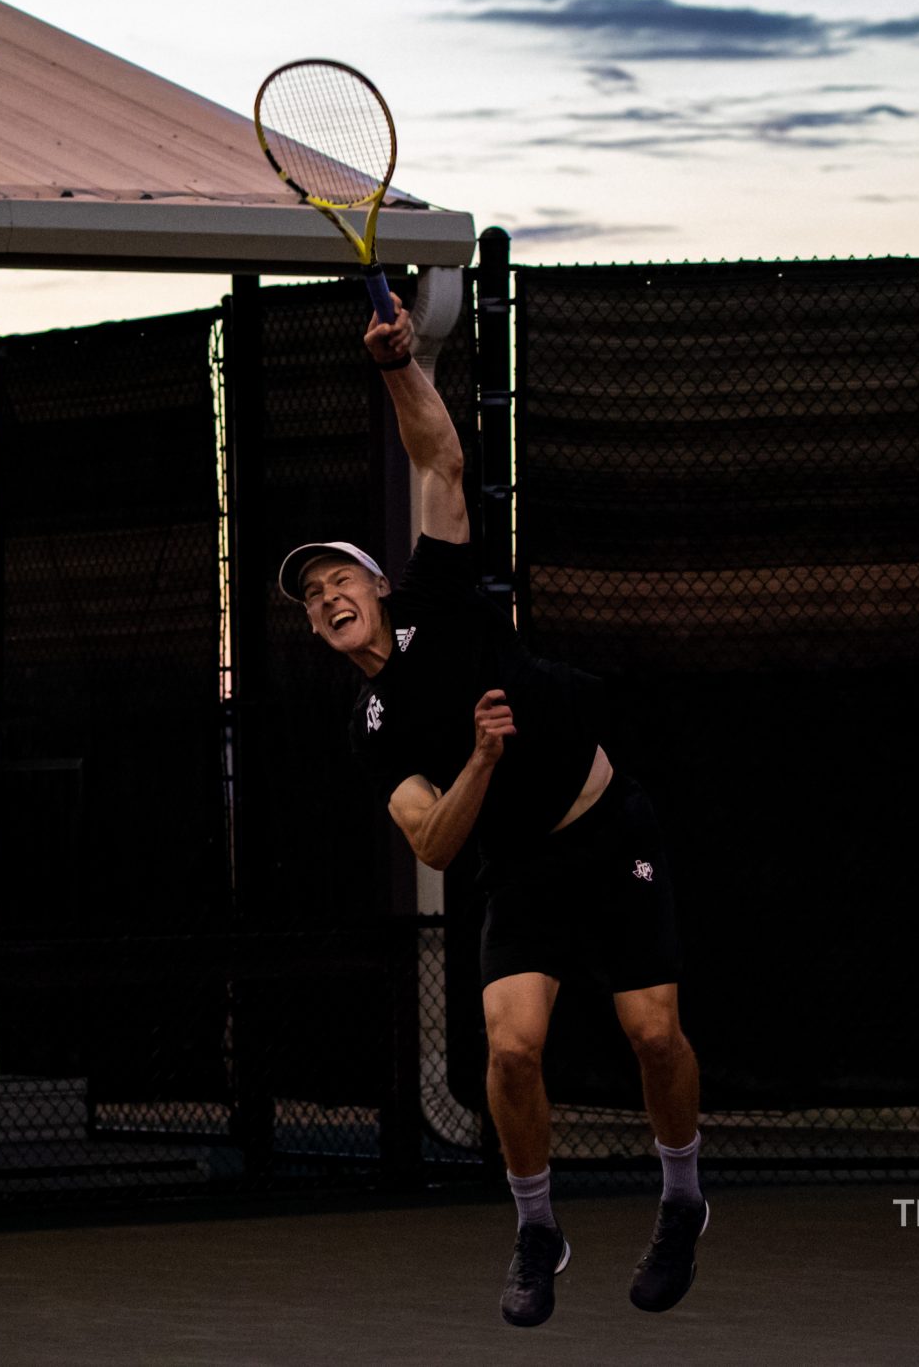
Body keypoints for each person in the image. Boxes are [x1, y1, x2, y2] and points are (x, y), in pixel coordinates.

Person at [278, 305, 707, 1329]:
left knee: (652, 1035)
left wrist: (397, 370)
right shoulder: (371, 726)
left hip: (610, 832)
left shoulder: (439, 591)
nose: (329, 597)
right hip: (519, 867)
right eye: (310, 597)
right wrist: (478, 759)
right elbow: (432, 838)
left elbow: (438, 458)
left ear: (380, 589)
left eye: (341, 579)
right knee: (508, 1051)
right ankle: (534, 1229)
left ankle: (684, 1199)